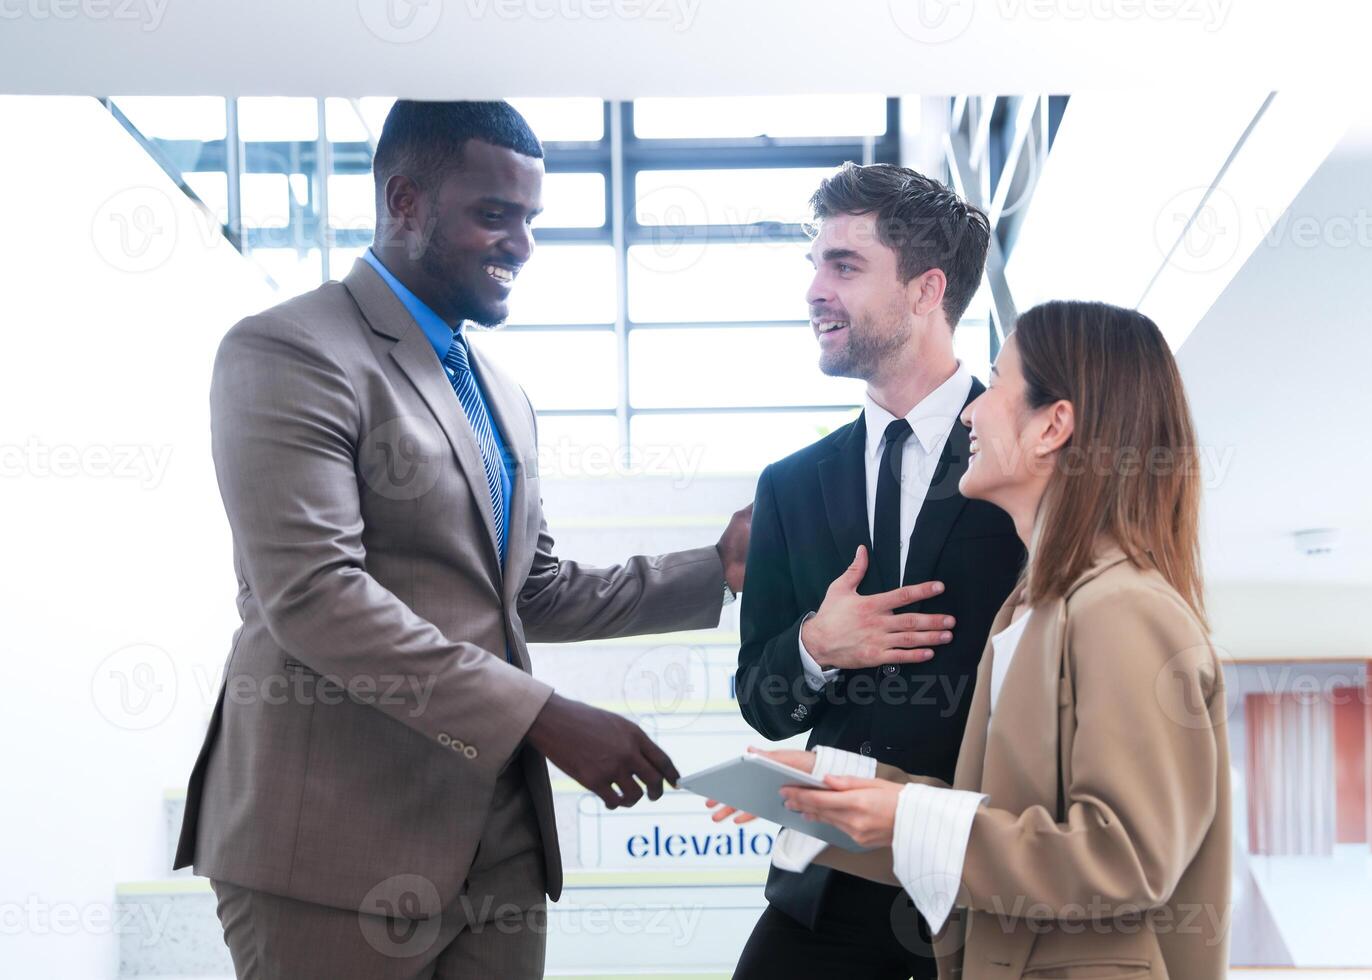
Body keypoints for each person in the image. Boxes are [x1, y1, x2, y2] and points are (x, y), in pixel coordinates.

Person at [173, 100, 751, 978]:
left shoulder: (500, 391)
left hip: (499, 846)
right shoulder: (289, 351)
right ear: (404, 202)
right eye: (494, 215)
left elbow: (530, 588)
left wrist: (716, 569)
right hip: (331, 849)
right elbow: (316, 598)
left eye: (531, 220)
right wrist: (543, 714)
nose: (521, 244)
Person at [718, 300, 1232, 978]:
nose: (970, 412)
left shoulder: (1121, 607)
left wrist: (901, 815)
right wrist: (844, 782)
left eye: (997, 384)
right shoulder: (1034, 609)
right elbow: (1014, 816)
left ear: (1053, 426)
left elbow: (1127, 855)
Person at [728, 162, 1026, 979]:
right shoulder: (789, 485)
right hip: (826, 887)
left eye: (845, 266)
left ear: (928, 290)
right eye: (815, 264)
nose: (815, 290)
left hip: (982, 883)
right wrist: (817, 646)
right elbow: (762, 700)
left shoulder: (1028, 461)